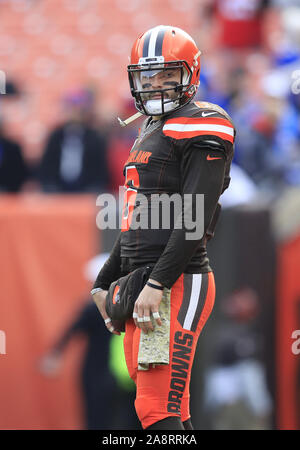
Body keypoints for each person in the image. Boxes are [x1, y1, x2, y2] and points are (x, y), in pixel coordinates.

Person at [91, 25, 235, 430]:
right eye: (147, 76)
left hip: (176, 282)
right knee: (165, 409)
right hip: (143, 281)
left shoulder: (204, 122)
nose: (155, 85)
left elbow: (195, 216)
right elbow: (136, 220)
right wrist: (102, 282)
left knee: (157, 410)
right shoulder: (150, 129)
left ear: (190, 74)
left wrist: (157, 284)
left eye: (167, 75)